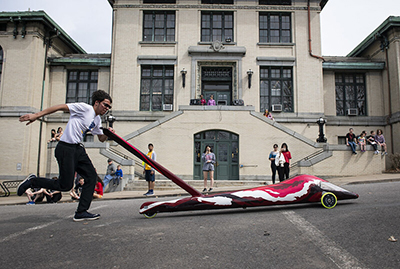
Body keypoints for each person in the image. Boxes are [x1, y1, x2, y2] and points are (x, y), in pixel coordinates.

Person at [17, 89, 113, 222]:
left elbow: (101, 138)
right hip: (66, 147)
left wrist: (108, 133)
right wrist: (36, 115)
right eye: (105, 105)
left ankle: (81, 212)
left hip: (78, 149)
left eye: (109, 107)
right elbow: (60, 107)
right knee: (65, 185)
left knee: (91, 176)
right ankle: (33, 181)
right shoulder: (85, 108)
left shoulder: (96, 119)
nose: (107, 109)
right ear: (97, 102)